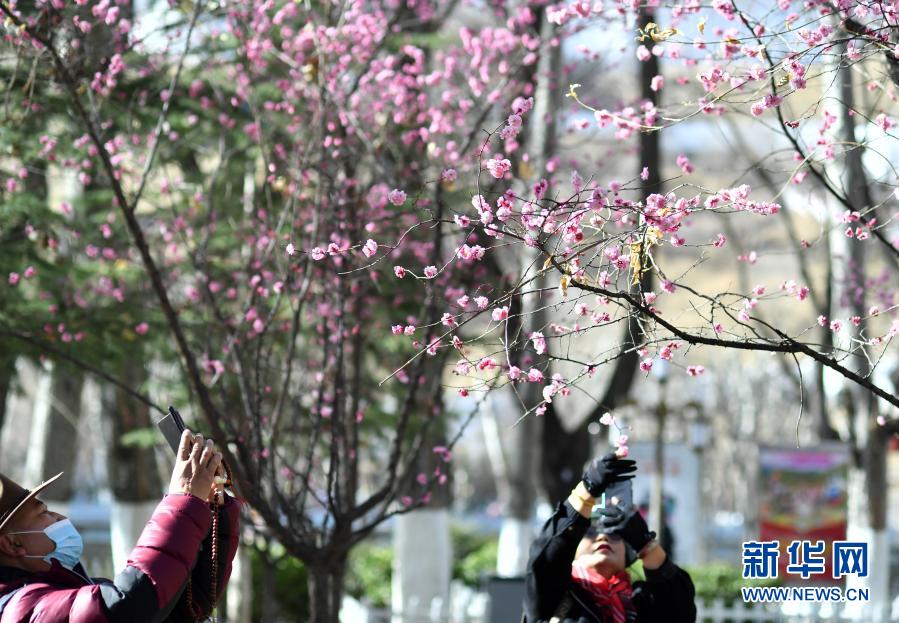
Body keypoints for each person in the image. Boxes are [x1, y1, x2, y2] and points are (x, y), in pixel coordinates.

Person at [0, 429, 240, 622]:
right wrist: (182, 501)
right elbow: (129, 606)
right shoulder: (24, 608)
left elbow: (181, 610)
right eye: (43, 513)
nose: (61, 519)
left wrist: (213, 510)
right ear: (12, 544)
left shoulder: (65, 592)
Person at [524, 452, 696, 622]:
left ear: (628, 554)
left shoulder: (641, 603)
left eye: (615, 534)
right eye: (590, 532)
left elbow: (680, 610)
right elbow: (547, 559)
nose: (602, 537)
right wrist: (588, 488)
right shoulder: (553, 593)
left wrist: (644, 542)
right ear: (572, 549)